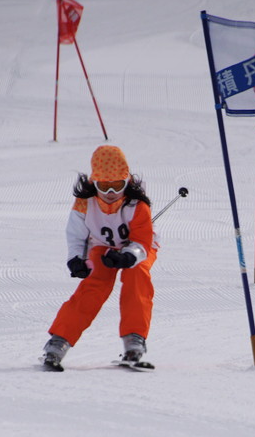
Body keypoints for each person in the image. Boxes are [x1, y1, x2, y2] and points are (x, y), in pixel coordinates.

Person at [42, 145, 157, 370]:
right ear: (94, 183)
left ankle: (134, 341)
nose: (111, 192)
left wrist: (127, 257)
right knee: (94, 284)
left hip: (137, 249)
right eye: (104, 186)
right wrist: (76, 259)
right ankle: (59, 341)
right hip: (102, 247)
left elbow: (143, 242)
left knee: (137, 276)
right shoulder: (85, 203)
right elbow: (77, 237)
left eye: (117, 185)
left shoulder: (137, 205)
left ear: (127, 182)